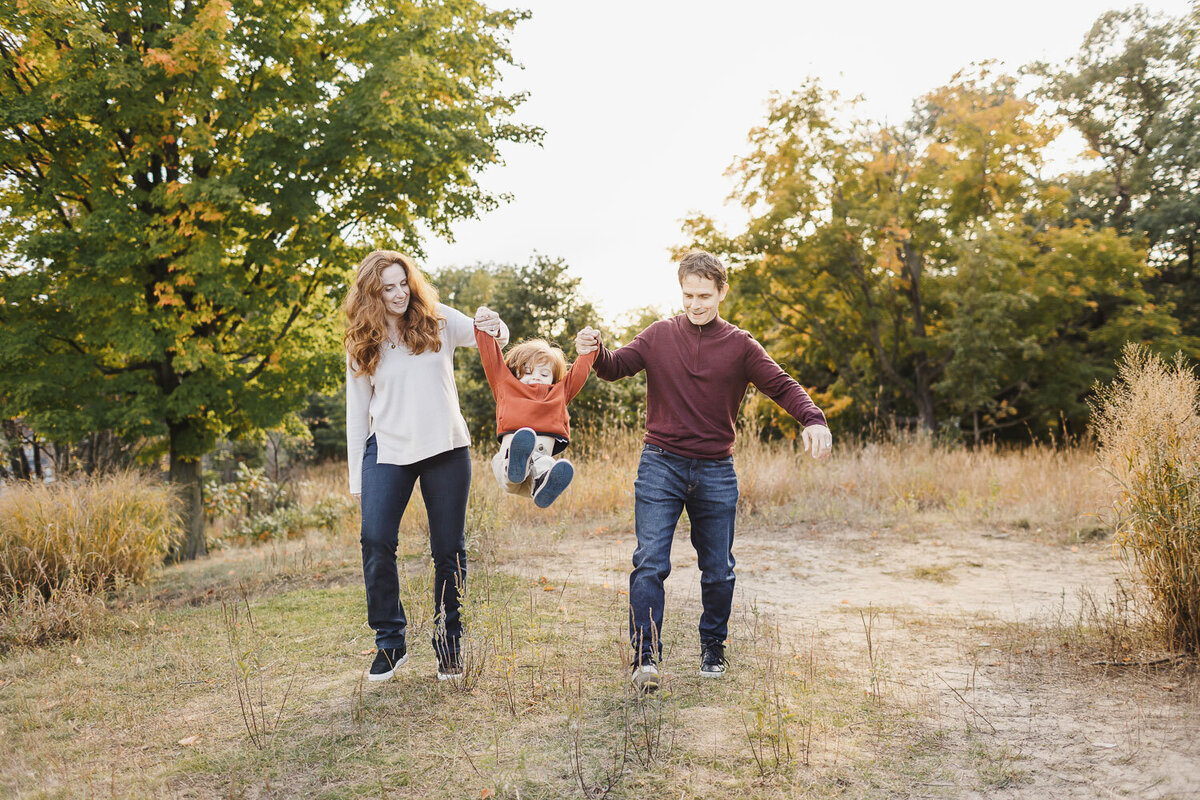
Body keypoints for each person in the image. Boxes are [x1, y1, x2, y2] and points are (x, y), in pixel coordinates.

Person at [576, 250, 832, 693]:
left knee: (718, 569)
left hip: (716, 469)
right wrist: (595, 350)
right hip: (660, 463)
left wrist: (813, 418)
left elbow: (782, 385)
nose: (695, 304)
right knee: (650, 563)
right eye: (688, 295)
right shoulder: (659, 335)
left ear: (722, 292)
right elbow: (616, 368)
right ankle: (645, 658)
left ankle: (713, 646)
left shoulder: (740, 345)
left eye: (704, 296)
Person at [344, 250, 508, 683]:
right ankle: (389, 641)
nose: (398, 294)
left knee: (448, 549)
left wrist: (493, 321)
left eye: (403, 283)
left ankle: (449, 643)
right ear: (371, 294)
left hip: (445, 447)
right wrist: (355, 476)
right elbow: (357, 413)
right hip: (388, 450)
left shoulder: (436, 319)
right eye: (388, 288)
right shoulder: (362, 341)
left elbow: (492, 337)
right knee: (375, 539)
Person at [475, 323, 597, 507]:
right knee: (506, 465)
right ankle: (516, 464)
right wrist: (484, 327)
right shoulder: (505, 385)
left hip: (538, 469)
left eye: (544, 373)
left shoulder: (560, 391)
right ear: (515, 372)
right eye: (528, 371)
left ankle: (543, 487)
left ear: (554, 377)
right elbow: (490, 357)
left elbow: (580, 371)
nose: (536, 377)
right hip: (508, 461)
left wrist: (589, 347)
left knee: (545, 464)